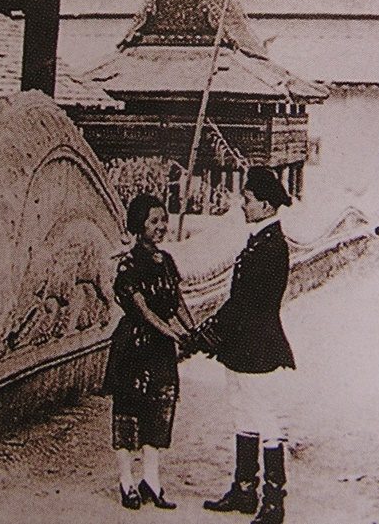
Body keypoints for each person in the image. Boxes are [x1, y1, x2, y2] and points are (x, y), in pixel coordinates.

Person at [201, 166, 294, 524]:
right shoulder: (259, 241)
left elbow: (245, 303)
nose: (243, 205)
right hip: (245, 343)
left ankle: (273, 502)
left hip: (260, 344)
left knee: (266, 417)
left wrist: (208, 332)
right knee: (243, 412)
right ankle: (244, 490)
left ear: (266, 206)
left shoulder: (271, 247)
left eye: (248, 199)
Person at [102, 193, 195, 510]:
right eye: (154, 221)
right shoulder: (129, 264)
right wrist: (175, 335)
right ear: (138, 224)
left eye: (164, 220)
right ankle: (126, 482)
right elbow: (143, 311)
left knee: (159, 410)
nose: (161, 226)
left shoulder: (166, 260)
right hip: (135, 345)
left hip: (160, 349)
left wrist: (193, 330)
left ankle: (151, 482)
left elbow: (177, 301)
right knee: (128, 412)